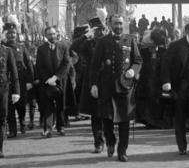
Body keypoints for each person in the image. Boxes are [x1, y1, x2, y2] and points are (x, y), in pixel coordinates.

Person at [90, 15, 142, 162]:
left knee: (125, 120)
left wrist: (134, 70)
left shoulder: (130, 39)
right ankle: (110, 142)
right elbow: (94, 65)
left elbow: (138, 60)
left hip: (125, 86)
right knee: (107, 119)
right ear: (110, 24)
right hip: (106, 86)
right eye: (115, 24)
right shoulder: (102, 42)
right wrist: (93, 84)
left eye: (120, 23)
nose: (118, 26)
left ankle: (122, 151)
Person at [161, 22, 189, 156]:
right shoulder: (176, 46)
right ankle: (182, 146)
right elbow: (165, 64)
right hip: (179, 87)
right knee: (180, 118)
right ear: (187, 31)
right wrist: (166, 81)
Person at [71, 17, 106, 153]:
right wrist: (85, 36)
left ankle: (108, 138)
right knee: (96, 114)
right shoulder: (89, 43)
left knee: (108, 114)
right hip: (93, 81)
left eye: (101, 29)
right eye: (96, 29)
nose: (99, 32)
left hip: (108, 81)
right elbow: (73, 47)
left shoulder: (110, 41)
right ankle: (98, 142)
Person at [35, 26, 70, 138]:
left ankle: (61, 127)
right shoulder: (41, 49)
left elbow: (66, 64)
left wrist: (56, 78)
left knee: (61, 105)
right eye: (50, 34)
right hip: (47, 82)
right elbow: (39, 66)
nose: (52, 36)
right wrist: (48, 80)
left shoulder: (63, 46)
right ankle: (48, 129)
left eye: (54, 33)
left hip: (60, 80)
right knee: (47, 105)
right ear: (46, 36)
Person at [3, 23, 33, 139]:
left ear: (17, 34)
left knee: (21, 105)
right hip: (8, 81)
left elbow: (29, 64)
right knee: (9, 106)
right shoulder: (3, 47)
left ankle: (22, 121)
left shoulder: (22, 47)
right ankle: (13, 130)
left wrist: (30, 80)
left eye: (13, 33)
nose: (12, 35)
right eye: (9, 34)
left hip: (21, 81)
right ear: (6, 35)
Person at [136, 28, 169, 128]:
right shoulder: (143, 52)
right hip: (146, 80)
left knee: (158, 101)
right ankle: (148, 120)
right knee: (147, 100)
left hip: (159, 81)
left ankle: (157, 121)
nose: (153, 47)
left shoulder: (164, 52)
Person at [0, 36, 19, 158]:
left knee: (2, 118)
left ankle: (0, 148)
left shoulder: (6, 51)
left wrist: (16, 92)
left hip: (2, 89)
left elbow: (14, 71)